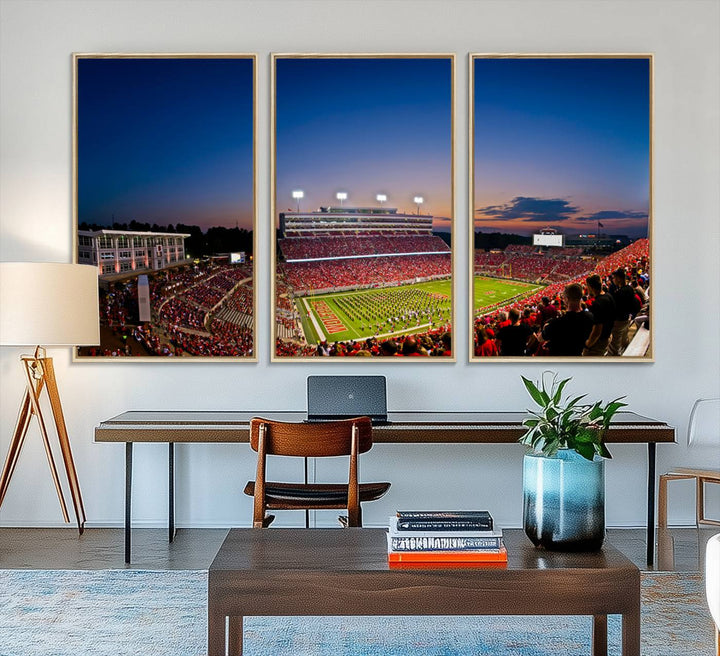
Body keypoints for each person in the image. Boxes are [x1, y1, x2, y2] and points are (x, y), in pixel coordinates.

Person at [541, 283, 594, 356]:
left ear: (567, 299)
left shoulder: (557, 323)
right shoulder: (590, 317)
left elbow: (540, 338)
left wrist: (546, 327)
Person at [607, 267, 641, 356]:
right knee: (624, 339)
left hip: (619, 320)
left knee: (614, 346)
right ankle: (625, 353)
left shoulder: (622, 291)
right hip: (626, 318)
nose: (613, 280)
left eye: (614, 278)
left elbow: (615, 306)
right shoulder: (628, 288)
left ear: (618, 278)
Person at [582, 274, 615, 357]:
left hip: (599, 341)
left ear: (591, 287)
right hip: (608, 335)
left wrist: (588, 344)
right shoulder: (608, 296)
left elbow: (597, 330)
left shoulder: (597, 303)